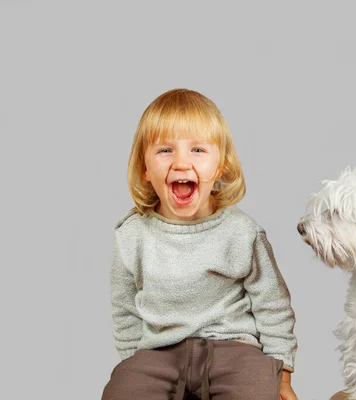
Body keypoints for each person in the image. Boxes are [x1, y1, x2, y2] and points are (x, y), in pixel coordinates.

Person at [102, 88, 298, 400]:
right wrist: (132, 368)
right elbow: (125, 310)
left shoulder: (242, 232)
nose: (181, 163)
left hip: (235, 350)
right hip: (157, 353)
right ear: (144, 169)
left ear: (220, 165)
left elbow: (273, 306)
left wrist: (283, 376)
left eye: (197, 150)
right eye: (165, 150)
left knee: (255, 391)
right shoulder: (132, 235)